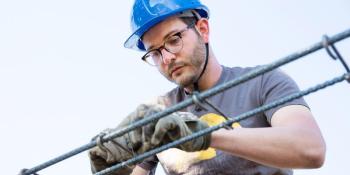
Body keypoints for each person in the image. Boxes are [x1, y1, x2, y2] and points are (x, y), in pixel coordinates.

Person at [88, 0, 326, 174]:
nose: (167, 58)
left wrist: (207, 136)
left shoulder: (263, 81)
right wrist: (113, 168)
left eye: (173, 40)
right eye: (154, 52)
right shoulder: (159, 114)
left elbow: (311, 148)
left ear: (203, 30)